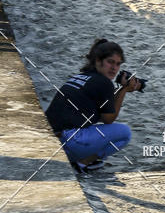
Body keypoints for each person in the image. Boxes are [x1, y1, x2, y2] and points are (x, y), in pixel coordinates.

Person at [45, 38, 141, 173]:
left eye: (118, 64)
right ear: (98, 61)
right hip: (68, 143)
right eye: (110, 62)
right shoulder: (104, 83)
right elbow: (108, 119)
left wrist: (121, 89)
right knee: (124, 133)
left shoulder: (81, 77)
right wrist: (124, 90)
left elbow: (103, 108)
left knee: (97, 128)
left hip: (49, 140)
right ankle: (83, 163)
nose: (114, 68)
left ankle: (82, 160)